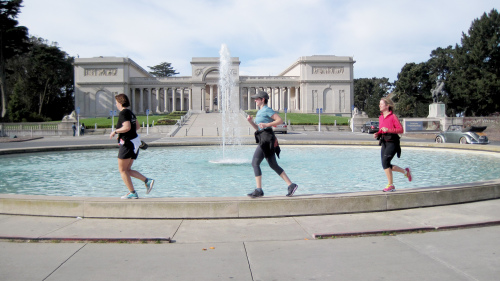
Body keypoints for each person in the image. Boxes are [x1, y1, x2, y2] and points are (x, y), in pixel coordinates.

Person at [246, 91, 298, 198]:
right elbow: (258, 128)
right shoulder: (260, 111)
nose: (255, 100)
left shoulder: (267, 110)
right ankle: (291, 185)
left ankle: (259, 189)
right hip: (263, 137)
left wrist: (267, 124)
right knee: (272, 164)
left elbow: (279, 120)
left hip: (266, 138)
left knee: (255, 163)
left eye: (257, 98)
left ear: (263, 99)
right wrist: (251, 122)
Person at [109, 93, 154, 199]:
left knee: (122, 170)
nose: (115, 104)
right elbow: (137, 127)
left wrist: (115, 131)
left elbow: (127, 127)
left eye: (116, 102)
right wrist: (122, 134)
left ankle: (132, 192)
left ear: (120, 102)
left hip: (127, 145)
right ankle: (147, 181)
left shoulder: (123, 113)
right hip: (135, 144)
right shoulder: (130, 113)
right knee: (127, 169)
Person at [373, 97, 412, 192]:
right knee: (385, 164)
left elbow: (400, 130)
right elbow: (382, 130)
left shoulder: (393, 116)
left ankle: (391, 185)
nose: (379, 105)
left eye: (381, 104)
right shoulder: (381, 117)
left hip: (393, 142)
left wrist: (389, 130)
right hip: (384, 142)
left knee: (385, 162)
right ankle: (405, 172)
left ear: (387, 106)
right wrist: (378, 134)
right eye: (379, 104)